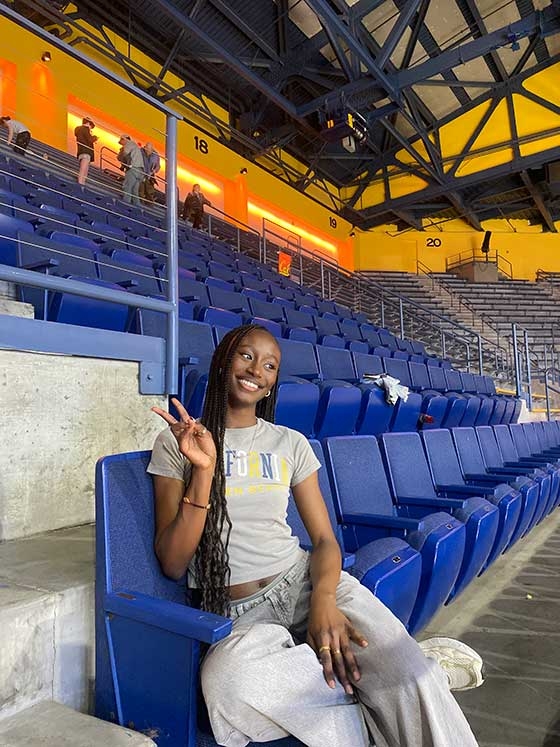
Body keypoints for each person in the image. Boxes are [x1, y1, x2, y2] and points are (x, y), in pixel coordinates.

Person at [148, 323, 482, 747]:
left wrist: (323, 601)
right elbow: (173, 562)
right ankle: (394, 688)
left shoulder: (290, 443)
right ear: (222, 363)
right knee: (229, 688)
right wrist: (204, 472)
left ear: (272, 385)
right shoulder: (178, 442)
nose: (257, 370)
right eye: (246, 355)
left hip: (307, 581)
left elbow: (325, 541)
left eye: (270, 365)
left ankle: (407, 675)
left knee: (408, 676)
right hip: (236, 611)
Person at [117, 134, 144, 206]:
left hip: (133, 168)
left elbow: (125, 154)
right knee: (135, 191)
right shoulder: (135, 146)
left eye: (121, 140)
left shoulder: (128, 144)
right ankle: (137, 207)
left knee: (127, 187)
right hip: (140, 170)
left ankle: (125, 205)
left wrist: (121, 160)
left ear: (124, 139)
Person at [74, 116, 98, 185]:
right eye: (91, 125)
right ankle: (81, 183)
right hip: (86, 151)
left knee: (82, 168)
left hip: (81, 151)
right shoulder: (85, 129)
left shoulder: (78, 129)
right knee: (84, 170)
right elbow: (90, 139)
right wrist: (95, 138)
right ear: (88, 123)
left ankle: (81, 182)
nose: (90, 128)